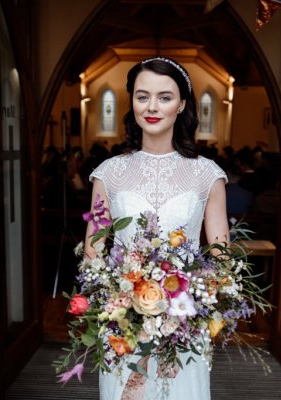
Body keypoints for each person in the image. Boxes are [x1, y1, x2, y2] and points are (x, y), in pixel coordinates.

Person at [83, 57, 229, 400]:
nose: (152, 106)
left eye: (164, 97)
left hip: (184, 322)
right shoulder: (109, 172)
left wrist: (195, 299)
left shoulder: (207, 174)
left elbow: (221, 258)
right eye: (142, 96)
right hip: (123, 323)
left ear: (181, 105)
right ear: (131, 100)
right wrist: (114, 301)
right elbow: (93, 250)